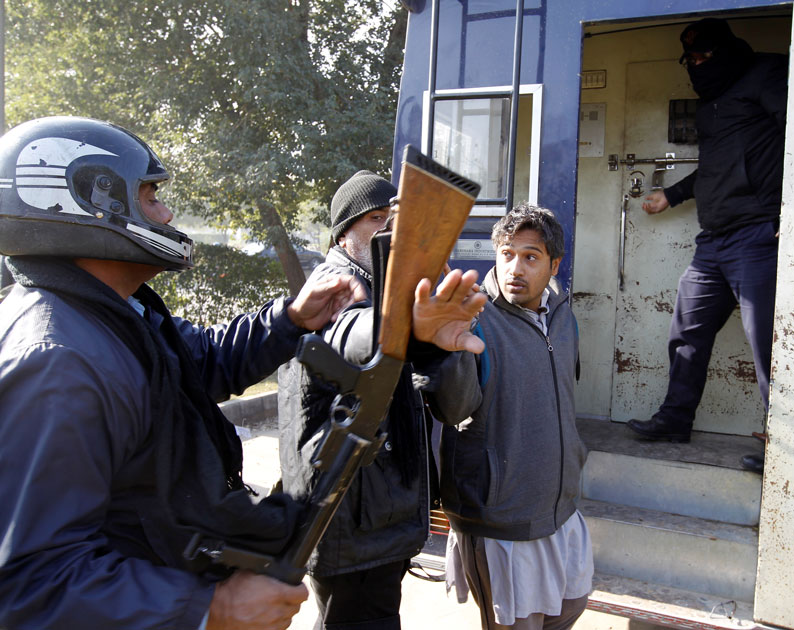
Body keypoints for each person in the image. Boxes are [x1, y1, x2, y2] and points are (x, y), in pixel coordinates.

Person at [0, 117, 485, 630]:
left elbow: (204, 362)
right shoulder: (58, 360)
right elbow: (31, 581)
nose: (166, 213)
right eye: (148, 197)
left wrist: (290, 319)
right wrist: (208, 609)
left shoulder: (119, 315)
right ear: (86, 204)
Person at [278, 170, 486, 630]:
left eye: (397, 219)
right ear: (343, 233)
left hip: (379, 518)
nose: (390, 231)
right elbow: (354, 336)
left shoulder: (395, 293)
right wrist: (409, 326)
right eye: (376, 218)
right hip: (346, 521)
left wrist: (443, 338)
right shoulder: (334, 290)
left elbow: (456, 407)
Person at [626, 18, 788, 473]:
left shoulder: (766, 75)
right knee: (687, 334)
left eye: (704, 56)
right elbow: (716, 167)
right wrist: (672, 195)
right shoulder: (710, 104)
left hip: (757, 234)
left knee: (766, 347)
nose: (696, 65)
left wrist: (791, 215)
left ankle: (786, 447)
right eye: (690, 59)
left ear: (728, 50)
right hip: (713, 241)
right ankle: (674, 420)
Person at [430, 204, 593, 630]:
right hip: (501, 519)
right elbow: (451, 409)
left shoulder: (563, 319)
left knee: (571, 606)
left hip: (560, 508)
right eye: (506, 254)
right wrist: (449, 353)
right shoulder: (476, 321)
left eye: (530, 256)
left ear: (554, 264)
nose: (515, 268)